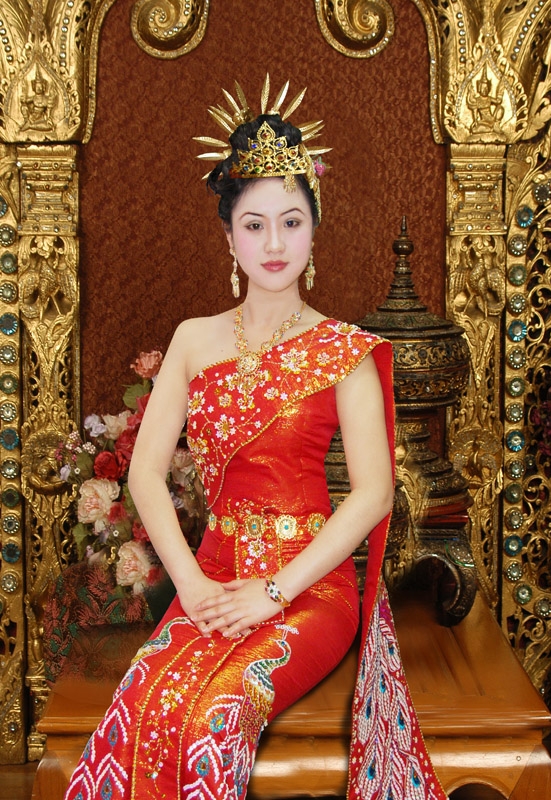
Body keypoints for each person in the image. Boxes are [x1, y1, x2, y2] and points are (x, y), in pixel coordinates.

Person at [64, 76, 447, 800]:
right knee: (140, 713)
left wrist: (273, 593)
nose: (274, 244)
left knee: (217, 718)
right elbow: (145, 474)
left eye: (292, 222)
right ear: (228, 237)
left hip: (310, 588)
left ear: (315, 228)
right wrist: (192, 585)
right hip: (211, 577)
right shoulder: (193, 340)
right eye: (255, 224)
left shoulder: (344, 351)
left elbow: (373, 494)